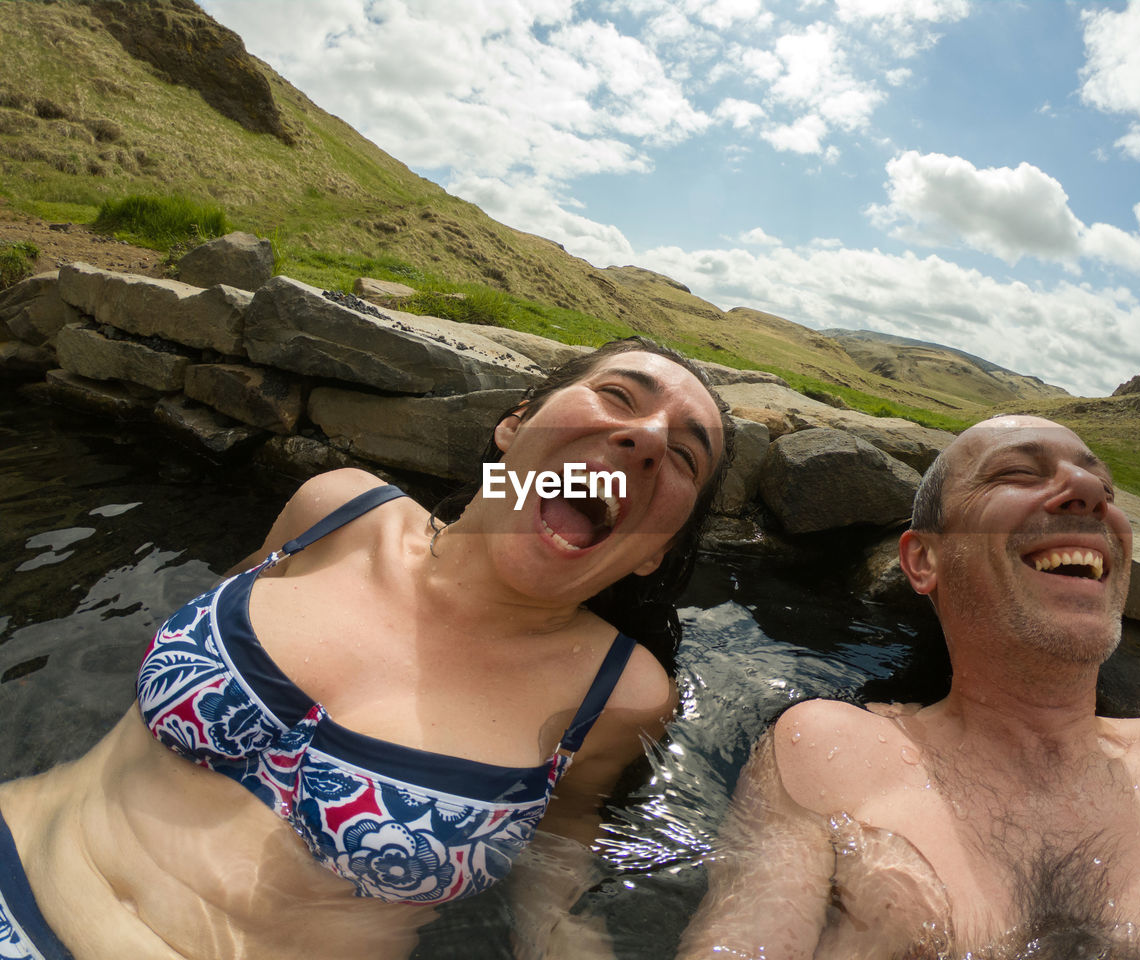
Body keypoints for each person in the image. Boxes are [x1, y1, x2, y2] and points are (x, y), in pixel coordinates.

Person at [0, 337, 732, 960]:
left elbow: (561, 853)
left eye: (685, 458)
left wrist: (564, 937)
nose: (648, 439)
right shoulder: (335, 510)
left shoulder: (620, 694)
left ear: (652, 553)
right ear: (515, 423)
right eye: (618, 396)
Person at [678, 415, 1140, 959]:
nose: (1093, 494)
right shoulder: (830, 748)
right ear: (923, 562)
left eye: (1106, 489)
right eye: (1018, 473)